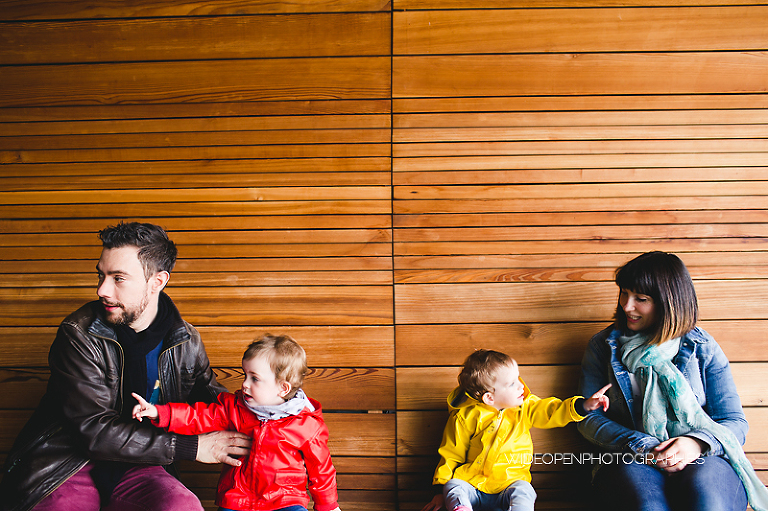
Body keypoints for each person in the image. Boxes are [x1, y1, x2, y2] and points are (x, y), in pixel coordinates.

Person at [0, 222, 252, 511]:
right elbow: (92, 431)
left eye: (118, 278)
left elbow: (218, 407)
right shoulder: (79, 332)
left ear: (157, 281)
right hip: (68, 462)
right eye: (101, 275)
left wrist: (282, 414)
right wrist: (192, 448)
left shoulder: (185, 339)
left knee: (181, 506)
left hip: (143, 463)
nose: (102, 290)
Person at [578, 250, 768, 511]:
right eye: (624, 293)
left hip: (703, 457)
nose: (626, 305)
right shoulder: (604, 347)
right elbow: (587, 418)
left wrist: (696, 443)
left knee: (708, 501)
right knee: (648, 505)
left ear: (669, 303)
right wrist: (645, 446)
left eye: (640, 299)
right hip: (632, 458)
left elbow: (734, 422)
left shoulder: (701, 347)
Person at [132, 334, 341, 511]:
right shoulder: (234, 408)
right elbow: (197, 416)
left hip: (284, 499)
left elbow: (321, 470)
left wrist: (329, 506)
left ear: (283, 388)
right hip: (237, 497)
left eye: (255, 378)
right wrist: (160, 413)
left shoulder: (307, 425)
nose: (245, 384)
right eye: (245, 375)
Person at [421, 349, 611, 511]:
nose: (521, 386)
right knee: (454, 486)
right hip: (473, 484)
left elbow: (551, 411)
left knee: (525, 490)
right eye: (512, 384)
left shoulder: (525, 407)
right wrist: (439, 492)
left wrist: (583, 406)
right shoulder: (465, 416)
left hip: (509, 484)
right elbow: (451, 454)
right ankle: (461, 507)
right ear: (489, 398)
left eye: (518, 378)